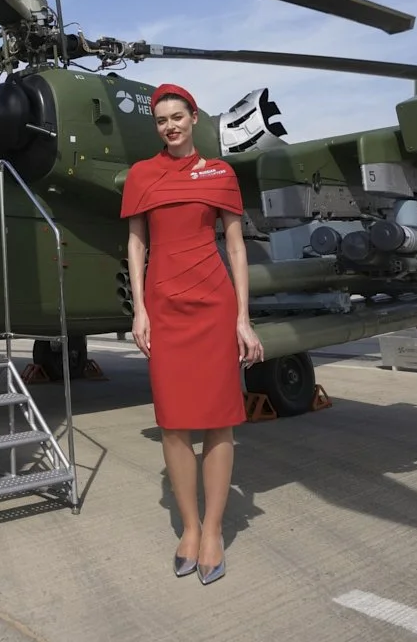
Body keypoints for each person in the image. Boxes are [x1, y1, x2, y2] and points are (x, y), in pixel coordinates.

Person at [121, 84, 264, 585]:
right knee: (174, 423)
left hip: (213, 305)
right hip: (164, 307)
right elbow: (136, 245)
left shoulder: (220, 173)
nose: (170, 126)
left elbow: (236, 248)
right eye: (161, 120)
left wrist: (242, 318)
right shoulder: (142, 175)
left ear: (194, 118)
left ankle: (214, 530)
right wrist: (139, 310)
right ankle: (188, 526)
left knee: (219, 420)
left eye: (177, 117)